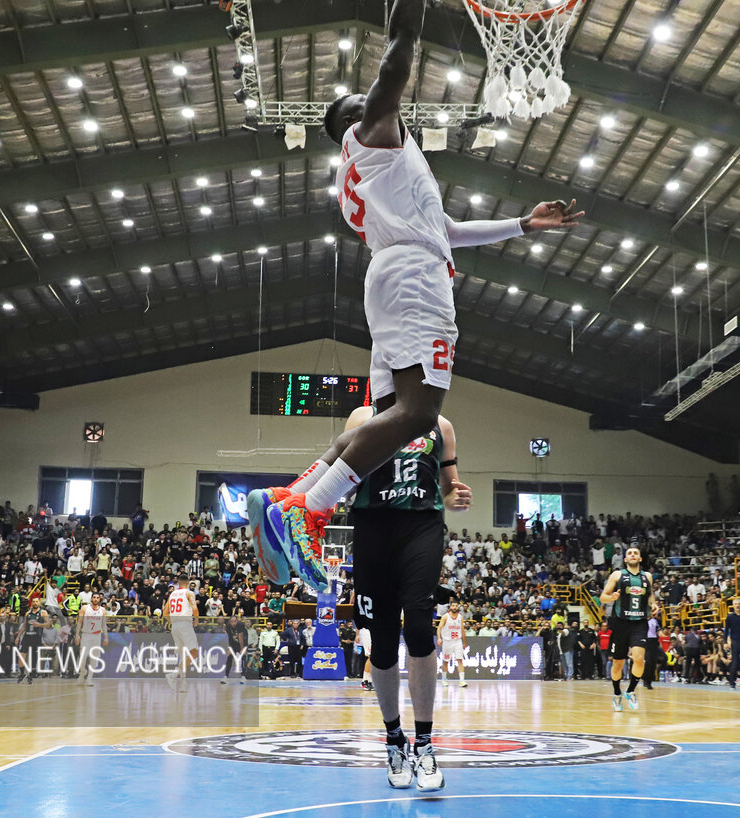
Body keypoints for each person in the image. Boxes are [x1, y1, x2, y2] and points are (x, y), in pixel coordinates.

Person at [248, 0, 583, 592]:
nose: (373, 99)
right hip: (414, 281)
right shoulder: (370, 133)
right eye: (362, 101)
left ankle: (290, 495)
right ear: (352, 120)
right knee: (420, 412)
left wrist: (521, 226)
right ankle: (312, 511)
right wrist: (408, 15)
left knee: (391, 419)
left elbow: (448, 231)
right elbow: (395, 63)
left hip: (395, 276)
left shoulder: (380, 170)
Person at [340, 401, 471, 792]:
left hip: (421, 526)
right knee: (380, 643)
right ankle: (394, 739)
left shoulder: (441, 425)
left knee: (418, 624)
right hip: (372, 527)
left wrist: (455, 499)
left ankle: (426, 744)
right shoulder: (362, 417)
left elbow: (448, 489)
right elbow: (342, 474)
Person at [598, 545, 657, 711]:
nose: (632, 555)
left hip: (639, 622)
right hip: (620, 623)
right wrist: (612, 597)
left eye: (635, 553)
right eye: (629, 553)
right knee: (618, 663)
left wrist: (654, 605)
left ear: (640, 559)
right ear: (625, 559)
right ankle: (617, 693)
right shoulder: (617, 575)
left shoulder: (648, 576)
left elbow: (650, 595)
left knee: (639, 658)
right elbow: (603, 596)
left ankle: (630, 691)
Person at [165, 575, 199, 692]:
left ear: (178, 582)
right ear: (188, 582)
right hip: (185, 623)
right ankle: (173, 675)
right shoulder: (189, 593)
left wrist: (171, 622)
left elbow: (165, 613)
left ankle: (183, 684)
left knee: (183, 655)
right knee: (194, 653)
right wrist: (197, 620)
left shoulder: (172, 594)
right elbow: (194, 608)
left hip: (175, 625)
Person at [75, 592, 108, 686]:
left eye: (98, 597)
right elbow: (79, 622)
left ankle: (89, 678)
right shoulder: (85, 608)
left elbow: (104, 625)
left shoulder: (103, 610)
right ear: (91, 598)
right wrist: (77, 635)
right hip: (86, 634)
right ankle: (82, 672)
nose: (96, 599)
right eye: (94, 597)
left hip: (97, 636)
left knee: (94, 658)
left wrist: (106, 637)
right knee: (83, 656)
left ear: (99, 599)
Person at [15, 598, 50, 684]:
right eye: (33, 601)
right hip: (27, 636)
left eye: (36, 601)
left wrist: (39, 624)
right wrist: (18, 637)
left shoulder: (43, 612)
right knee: (21, 654)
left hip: (36, 636)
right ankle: (22, 673)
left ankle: (30, 675)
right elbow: (24, 626)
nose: (35, 603)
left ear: (39, 603)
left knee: (33, 657)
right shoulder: (28, 613)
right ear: (31, 603)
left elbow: (48, 624)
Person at [436, 600, 468, 687]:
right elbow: (439, 628)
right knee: (446, 661)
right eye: (453, 606)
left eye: (456, 606)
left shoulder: (460, 617)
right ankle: (444, 679)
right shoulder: (445, 617)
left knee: (460, 660)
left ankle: (462, 681)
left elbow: (462, 630)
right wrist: (439, 638)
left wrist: (464, 642)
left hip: (457, 641)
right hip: (447, 641)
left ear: (458, 607)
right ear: (450, 607)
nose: (454, 607)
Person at [220, 615, 247, 684]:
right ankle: (226, 677)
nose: (233, 623)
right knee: (229, 658)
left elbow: (240, 637)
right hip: (233, 643)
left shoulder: (240, 625)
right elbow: (229, 638)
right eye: (232, 621)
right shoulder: (228, 626)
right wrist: (230, 648)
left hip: (243, 642)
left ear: (237, 621)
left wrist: (242, 649)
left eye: (235, 621)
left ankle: (243, 677)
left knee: (243, 658)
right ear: (229, 622)